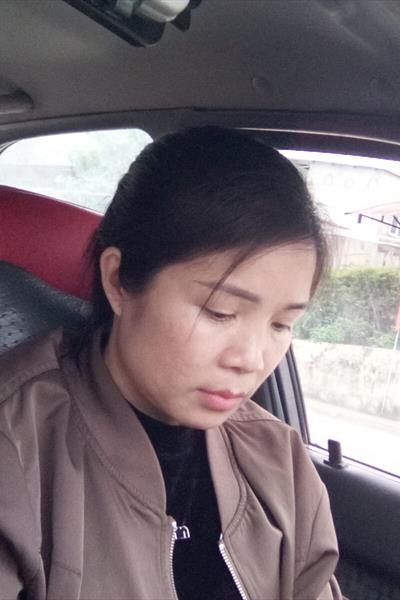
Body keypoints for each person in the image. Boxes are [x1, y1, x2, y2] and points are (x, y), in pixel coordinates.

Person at [0, 126, 343, 599]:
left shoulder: (279, 456)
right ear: (119, 281)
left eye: (282, 324)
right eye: (219, 312)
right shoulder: (17, 447)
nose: (252, 359)